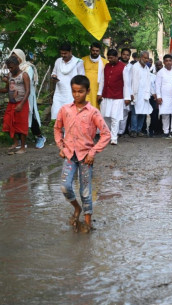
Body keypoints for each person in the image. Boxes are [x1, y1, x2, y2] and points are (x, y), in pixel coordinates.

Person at [54, 75, 110, 230]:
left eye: (80, 91)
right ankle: (76, 208)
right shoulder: (65, 110)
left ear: (87, 91)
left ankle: (87, 222)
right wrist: (61, 147)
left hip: (86, 157)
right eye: (74, 91)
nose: (77, 94)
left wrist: (93, 152)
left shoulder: (93, 112)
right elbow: (57, 129)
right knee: (65, 186)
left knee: (85, 190)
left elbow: (106, 134)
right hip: (70, 154)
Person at [11, 49, 46, 149]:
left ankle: (39, 137)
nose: (15, 59)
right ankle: (21, 141)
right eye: (13, 57)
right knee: (18, 117)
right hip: (16, 96)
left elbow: (25, 80)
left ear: (21, 57)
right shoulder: (13, 68)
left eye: (16, 57)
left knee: (31, 115)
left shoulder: (28, 67)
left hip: (27, 95)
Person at [1, 56, 30, 155]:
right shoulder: (9, 75)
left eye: (12, 67)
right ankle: (15, 143)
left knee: (21, 125)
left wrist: (21, 104)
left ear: (17, 65)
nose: (10, 69)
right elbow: (6, 89)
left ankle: (22, 147)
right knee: (7, 122)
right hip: (11, 103)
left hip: (21, 103)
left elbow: (28, 91)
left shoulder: (24, 75)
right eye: (9, 67)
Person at [98, 49, 126, 145]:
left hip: (118, 96)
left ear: (116, 57)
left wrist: (127, 98)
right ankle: (108, 135)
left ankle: (114, 138)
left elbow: (126, 84)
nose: (109, 60)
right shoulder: (106, 66)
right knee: (105, 117)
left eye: (111, 58)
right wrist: (99, 93)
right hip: (106, 95)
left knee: (115, 117)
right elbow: (102, 80)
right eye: (108, 58)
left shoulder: (123, 67)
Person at [51, 43, 85, 120]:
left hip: (71, 93)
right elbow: (54, 72)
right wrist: (54, 76)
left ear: (70, 52)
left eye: (65, 53)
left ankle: (68, 132)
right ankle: (59, 132)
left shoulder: (78, 62)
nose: (63, 55)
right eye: (61, 53)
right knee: (57, 115)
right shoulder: (58, 61)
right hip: (59, 93)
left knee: (70, 116)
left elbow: (82, 78)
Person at [128, 51, 153, 137]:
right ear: (140, 57)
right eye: (145, 58)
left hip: (144, 94)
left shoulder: (146, 68)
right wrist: (131, 93)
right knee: (135, 113)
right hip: (136, 94)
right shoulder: (134, 67)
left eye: (147, 58)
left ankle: (139, 130)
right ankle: (133, 130)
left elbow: (148, 82)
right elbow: (130, 81)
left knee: (143, 113)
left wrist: (151, 92)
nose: (146, 60)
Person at [156, 54, 172, 138]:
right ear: (164, 62)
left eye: (170, 61)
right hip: (164, 97)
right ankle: (165, 131)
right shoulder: (160, 72)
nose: (169, 62)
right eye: (167, 61)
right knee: (165, 114)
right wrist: (159, 96)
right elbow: (157, 85)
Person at [82, 42, 107, 109]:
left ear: (100, 51)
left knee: (96, 110)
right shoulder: (83, 60)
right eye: (93, 50)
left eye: (97, 51)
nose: (95, 52)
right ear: (90, 50)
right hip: (85, 89)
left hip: (98, 90)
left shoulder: (105, 62)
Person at [119, 48, 132, 136]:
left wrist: (131, 93)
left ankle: (122, 131)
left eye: (127, 55)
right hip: (118, 92)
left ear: (129, 56)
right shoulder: (117, 65)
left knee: (125, 113)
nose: (125, 56)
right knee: (116, 112)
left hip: (128, 92)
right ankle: (114, 131)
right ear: (121, 54)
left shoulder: (132, 67)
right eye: (124, 54)